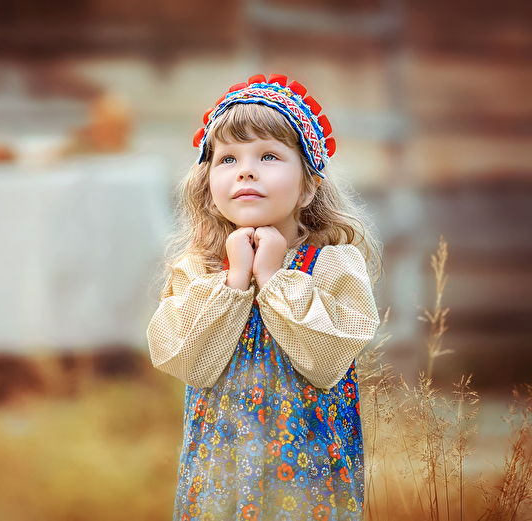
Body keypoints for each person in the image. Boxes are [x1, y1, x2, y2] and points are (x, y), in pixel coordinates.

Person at [147, 74, 381, 520]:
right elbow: (184, 361)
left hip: (309, 475)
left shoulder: (333, 266)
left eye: (269, 155)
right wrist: (235, 281)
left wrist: (273, 279)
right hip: (220, 474)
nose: (246, 170)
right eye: (227, 158)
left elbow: (328, 360)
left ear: (308, 185)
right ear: (208, 188)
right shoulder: (199, 272)